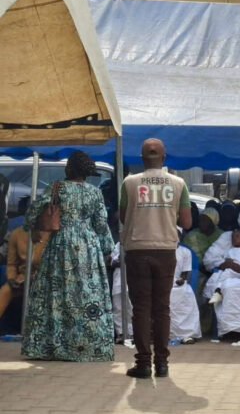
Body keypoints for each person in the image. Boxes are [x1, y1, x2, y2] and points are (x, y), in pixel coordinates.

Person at [22, 151, 115, 361]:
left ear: (69, 168)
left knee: (57, 292)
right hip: (88, 247)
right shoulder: (95, 193)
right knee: (87, 294)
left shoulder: (57, 187)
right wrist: (107, 249)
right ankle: (90, 346)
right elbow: (101, 224)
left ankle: (55, 345)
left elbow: (35, 208)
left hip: (61, 244)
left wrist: (30, 226)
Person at [120, 138, 192, 378]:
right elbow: (186, 222)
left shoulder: (129, 183)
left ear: (142, 159)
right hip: (165, 251)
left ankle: (143, 364)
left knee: (141, 309)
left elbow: (123, 216)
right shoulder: (179, 184)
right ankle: (162, 364)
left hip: (137, 250)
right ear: (164, 158)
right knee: (162, 308)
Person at [0, 224, 48, 323]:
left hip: (45, 278)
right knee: (5, 291)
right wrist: (11, 278)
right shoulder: (16, 234)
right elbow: (12, 264)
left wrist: (36, 278)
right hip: (22, 279)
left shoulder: (53, 235)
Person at [169, 238, 201, 344]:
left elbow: (185, 273)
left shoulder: (185, 252)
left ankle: (188, 334)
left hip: (178, 284)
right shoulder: (160, 251)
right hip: (162, 283)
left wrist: (182, 280)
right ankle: (167, 334)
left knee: (187, 294)